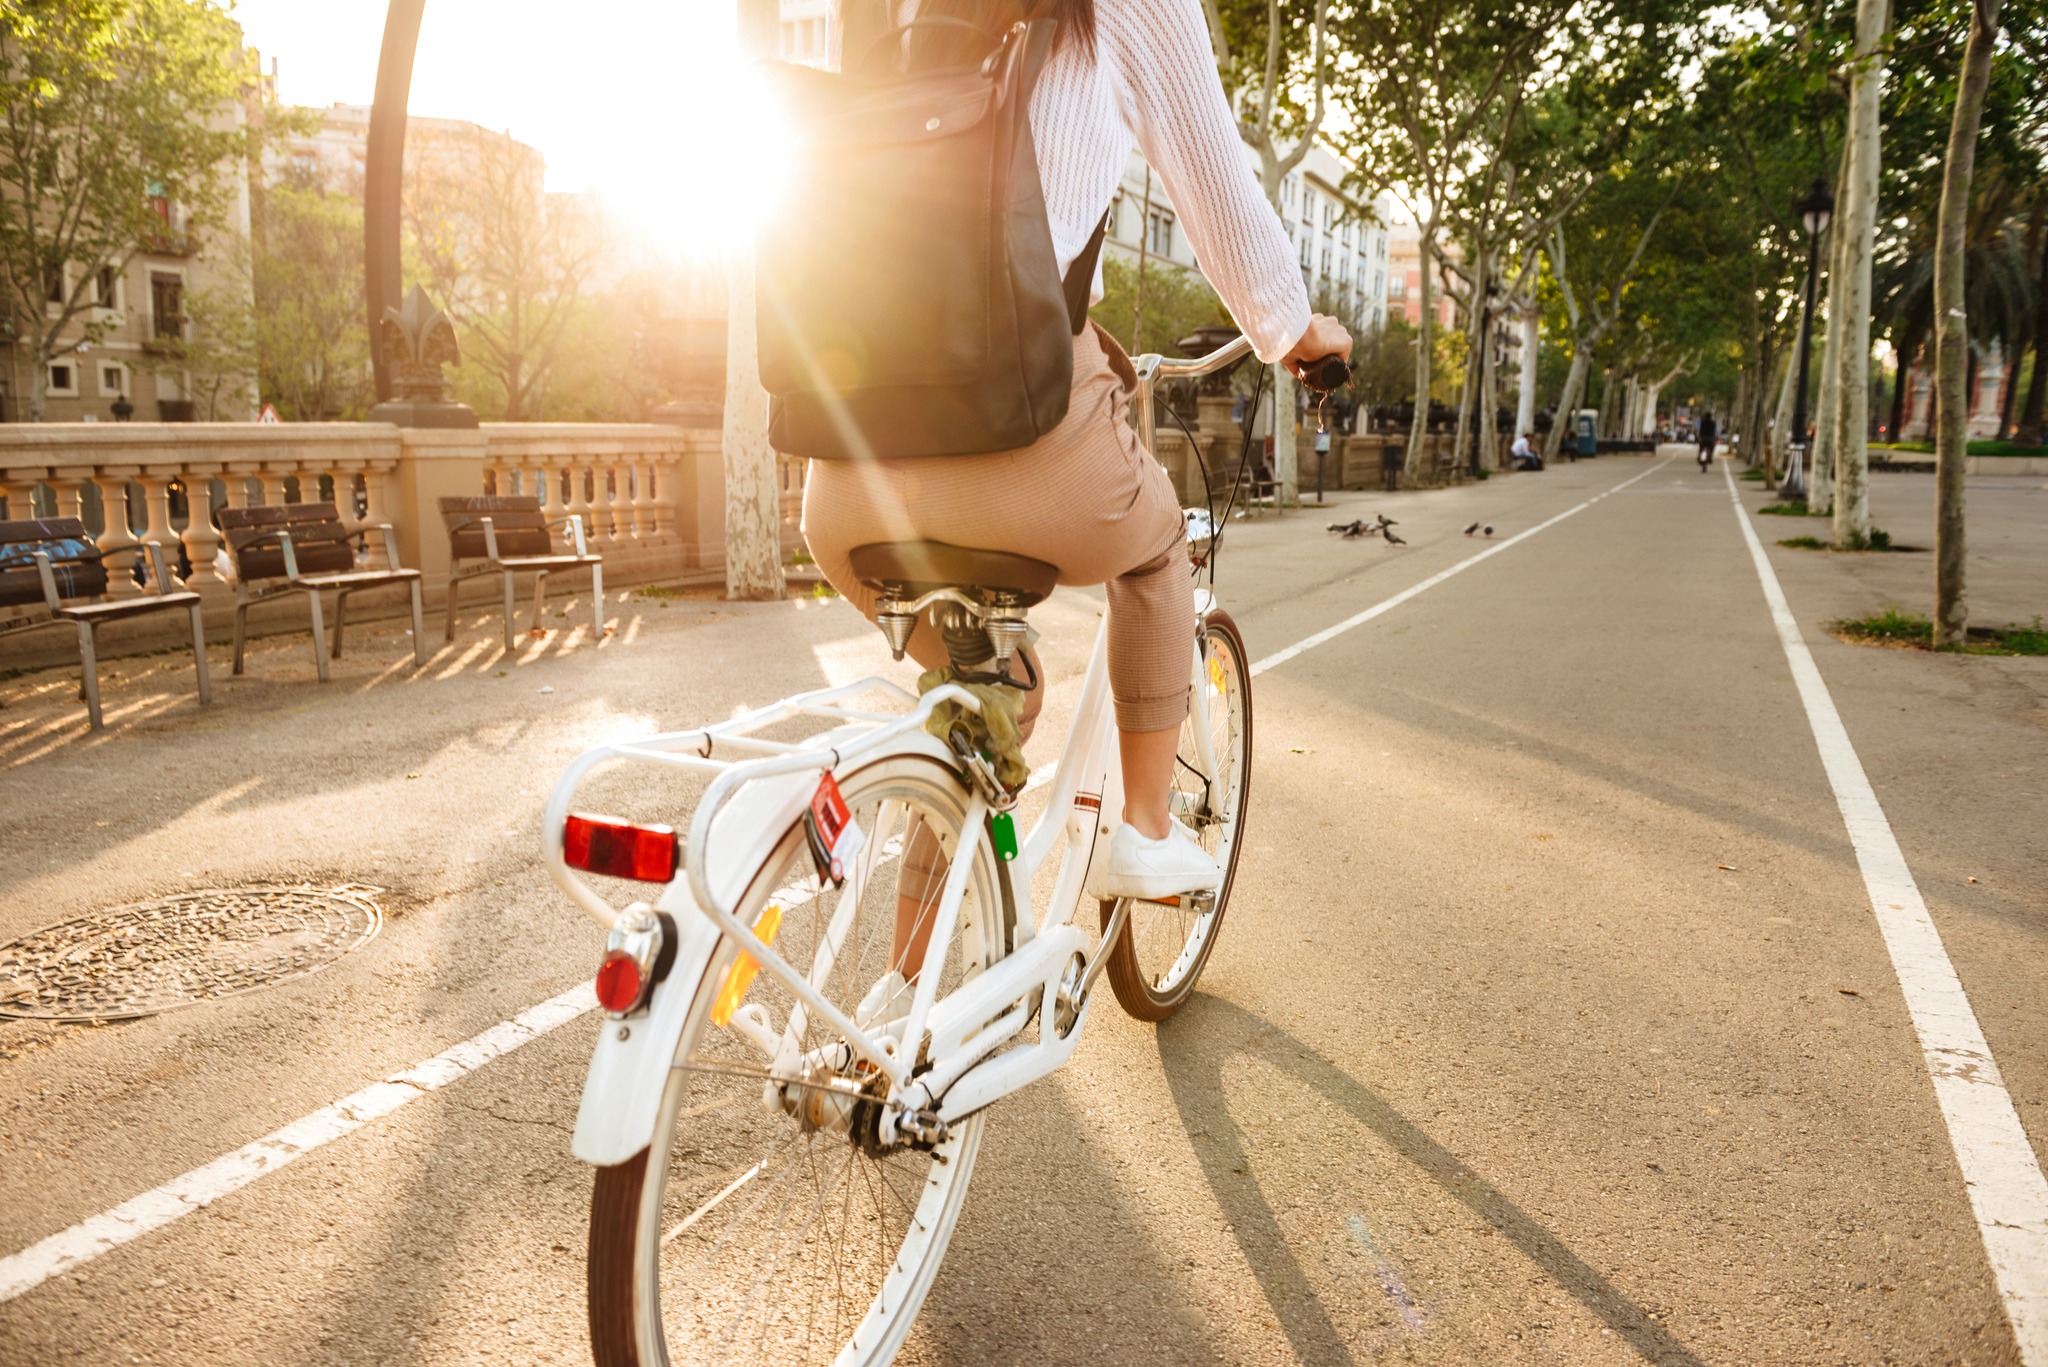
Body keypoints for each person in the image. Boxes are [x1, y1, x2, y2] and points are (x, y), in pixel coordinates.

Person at [803, 0, 1350, 901]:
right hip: (1016, 435)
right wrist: (1294, 331)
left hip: (842, 487)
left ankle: (903, 1007)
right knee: (1158, 545)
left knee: (985, 697)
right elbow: (1216, 184)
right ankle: (1144, 829)